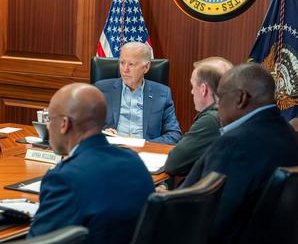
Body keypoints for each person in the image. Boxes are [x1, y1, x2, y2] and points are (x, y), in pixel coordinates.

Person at [181, 63, 298, 243]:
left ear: (240, 98)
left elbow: (208, 222)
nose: (216, 107)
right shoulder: (289, 134)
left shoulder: (235, 145)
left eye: (219, 98)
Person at [28, 83, 154, 243]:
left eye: (49, 118)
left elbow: (37, 240)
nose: (47, 125)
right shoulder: (134, 161)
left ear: (64, 124)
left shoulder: (64, 179)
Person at [95, 41, 182, 144]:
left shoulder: (162, 94)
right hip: (113, 151)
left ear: (146, 67)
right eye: (122, 63)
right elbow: (85, 127)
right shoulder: (101, 89)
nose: (125, 70)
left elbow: (174, 135)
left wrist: (143, 144)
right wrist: (104, 135)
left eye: (131, 64)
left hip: (146, 152)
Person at [165, 57, 233, 176]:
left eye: (193, 86)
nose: (192, 92)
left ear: (203, 89)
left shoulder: (211, 120)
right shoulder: (236, 111)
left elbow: (174, 164)